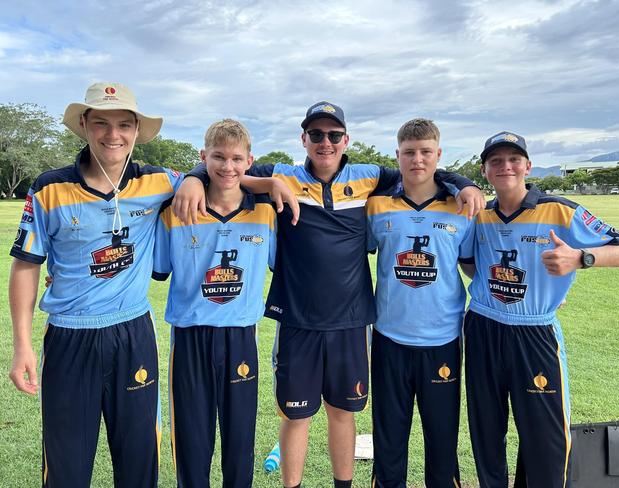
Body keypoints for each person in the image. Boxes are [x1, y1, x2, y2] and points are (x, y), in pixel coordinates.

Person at [174, 101, 485, 488]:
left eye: (334, 135)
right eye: (316, 134)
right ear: (303, 138)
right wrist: (192, 176)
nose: (326, 142)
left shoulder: (370, 176)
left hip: (351, 321)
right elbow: (226, 168)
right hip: (297, 319)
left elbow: (422, 168)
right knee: (296, 417)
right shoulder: (281, 174)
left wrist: (466, 183)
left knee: (343, 412)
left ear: (345, 139)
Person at [8, 82, 180, 488]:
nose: (112, 134)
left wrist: (193, 181)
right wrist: (22, 345)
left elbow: (221, 174)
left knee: (139, 462)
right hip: (69, 338)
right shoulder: (49, 187)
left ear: (137, 130)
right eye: (101, 122)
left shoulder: (160, 182)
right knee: (66, 467)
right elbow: (26, 266)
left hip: (133, 334)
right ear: (84, 125)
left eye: (124, 124)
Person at [463, 131, 619, 488]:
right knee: (486, 434)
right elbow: (470, 264)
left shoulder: (559, 210)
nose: (505, 167)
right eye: (496, 161)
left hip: (534, 334)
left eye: (513, 159)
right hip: (483, 326)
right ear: (484, 170)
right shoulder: (479, 215)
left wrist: (580, 257)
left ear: (527, 165)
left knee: (546, 440)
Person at [153, 119, 276, 487]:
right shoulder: (175, 211)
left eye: (237, 158)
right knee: (192, 439)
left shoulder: (266, 213)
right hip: (189, 338)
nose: (228, 166)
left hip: (241, 337)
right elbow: (157, 268)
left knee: (240, 440)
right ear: (202, 157)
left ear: (249, 160)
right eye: (219, 157)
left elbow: (286, 265)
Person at [366, 118, 473, 488]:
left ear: (438, 154)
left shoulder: (462, 207)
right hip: (389, 339)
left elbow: (476, 266)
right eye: (409, 152)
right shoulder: (377, 206)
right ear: (397, 155)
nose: (417, 159)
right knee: (389, 442)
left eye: (426, 151)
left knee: (442, 444)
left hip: (442, 340)